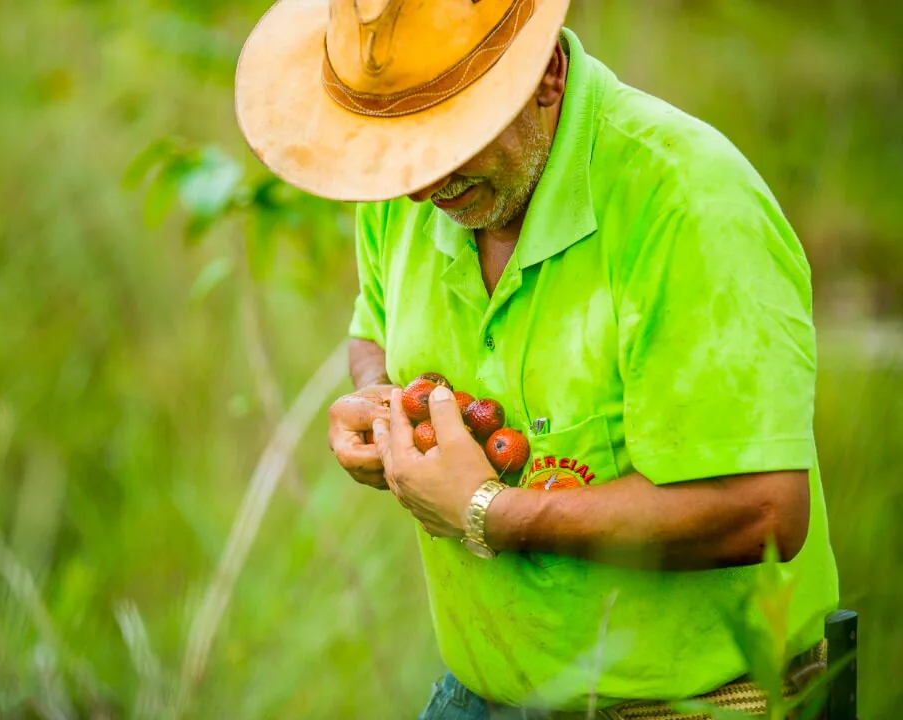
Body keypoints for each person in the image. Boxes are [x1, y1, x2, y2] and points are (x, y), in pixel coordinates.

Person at [235, 0, 839, 717]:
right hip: (480, 696)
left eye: (451, 141)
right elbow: (374, 326)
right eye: (406, 154)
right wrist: (381, 402)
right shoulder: (406, 179)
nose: (424, 188)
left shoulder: (689, 202)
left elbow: (763, 511)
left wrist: (489, 511)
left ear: (545, 75)